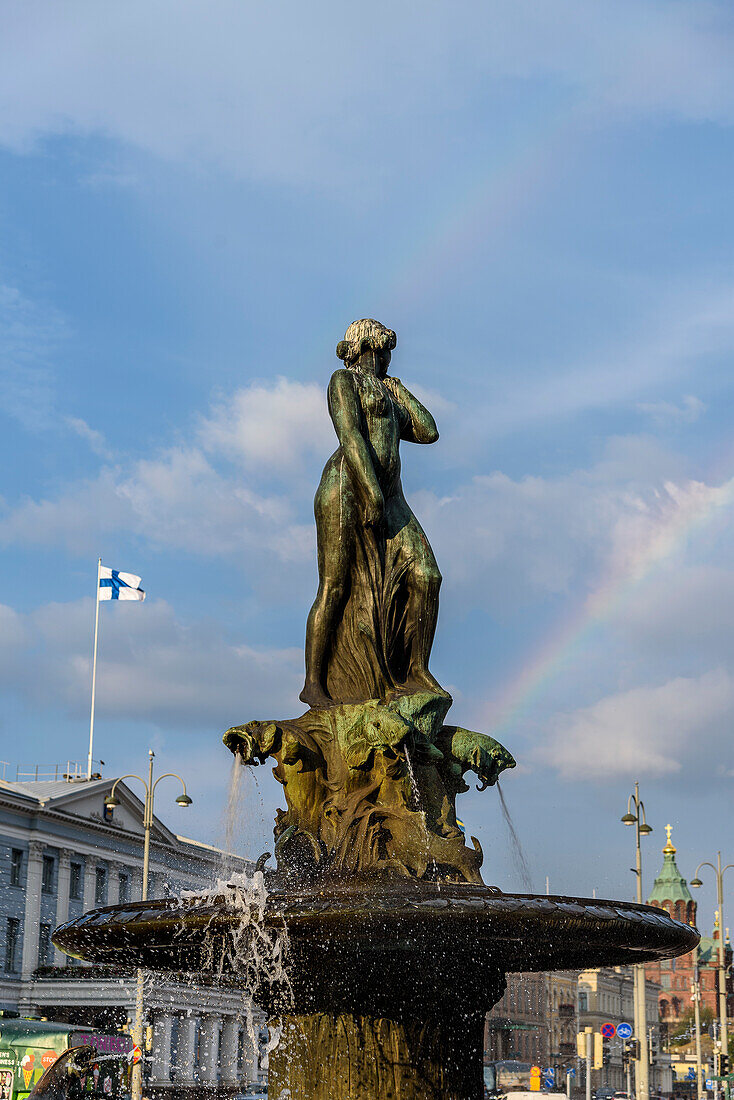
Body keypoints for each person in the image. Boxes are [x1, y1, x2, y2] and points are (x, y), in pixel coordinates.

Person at [300, 318, 447, 708]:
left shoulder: (390, 390)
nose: (388, 359)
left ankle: (416, 669)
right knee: (334, 585)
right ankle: (313, 682)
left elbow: (428, 431)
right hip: (347, 487)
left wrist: (399, 390)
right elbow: (349, 434)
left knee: (427, 577)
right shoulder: (342, 382)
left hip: (390, 493)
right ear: (368, 348)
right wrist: (371, 495)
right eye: (384, 351)